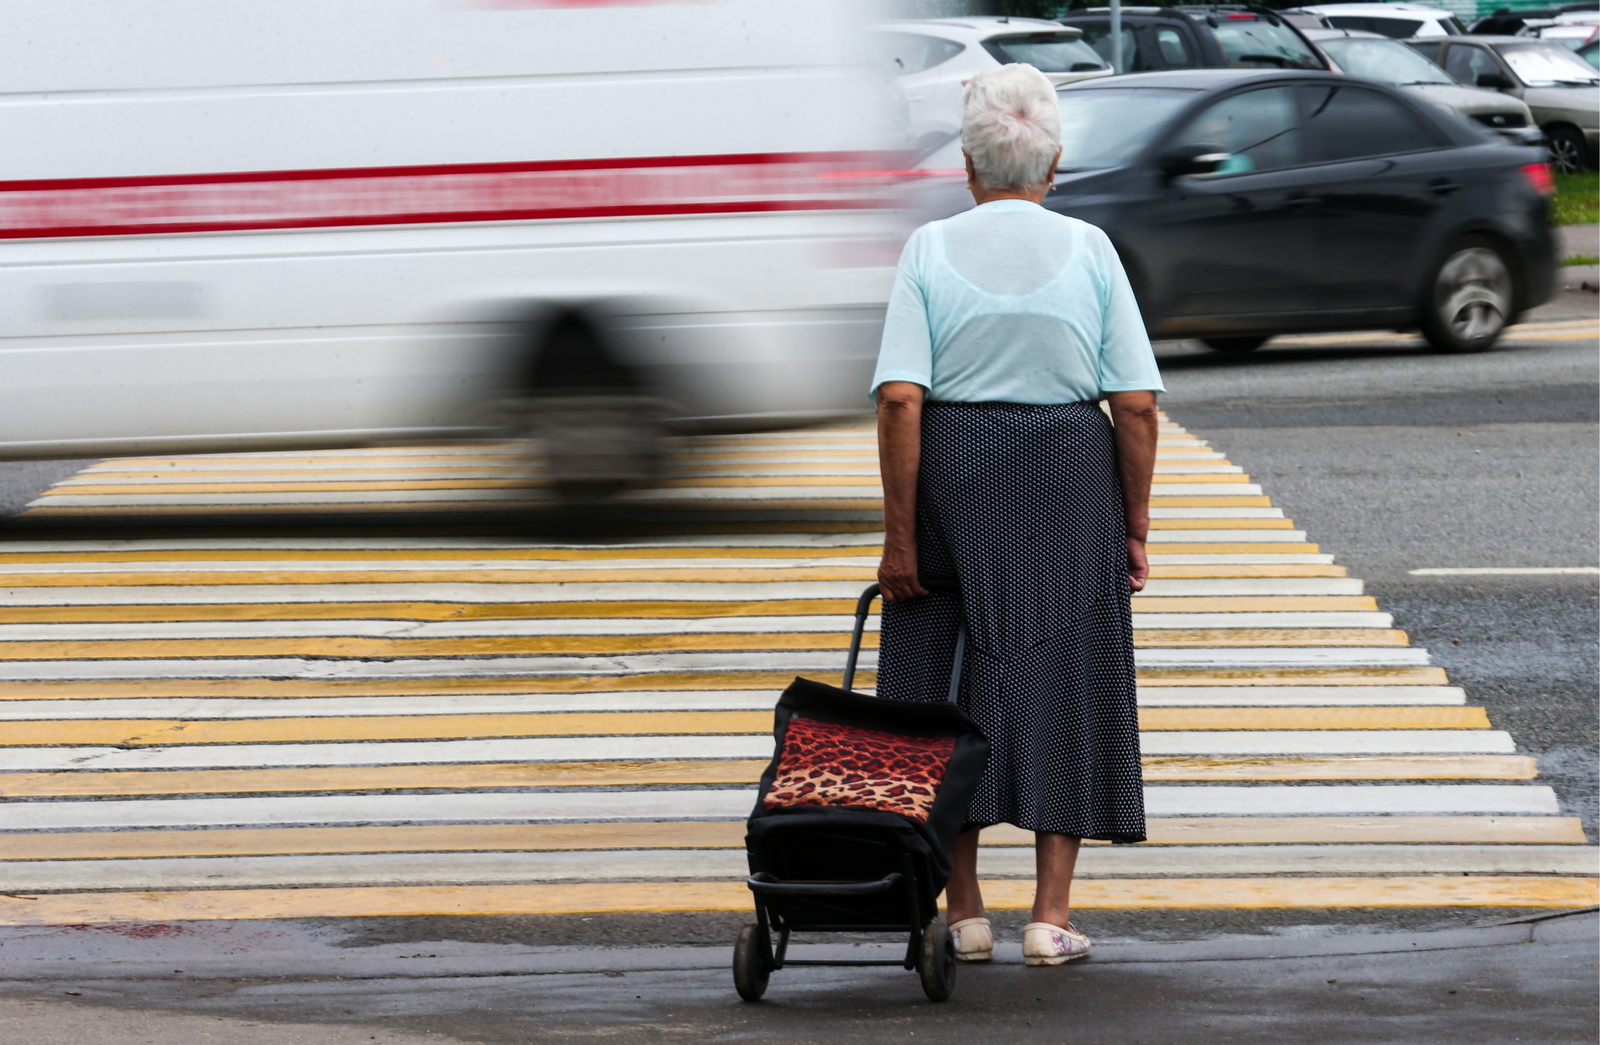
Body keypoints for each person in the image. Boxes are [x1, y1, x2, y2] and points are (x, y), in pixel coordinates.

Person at [870, 63, 1163, 967]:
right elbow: (1138, 405)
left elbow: (900, 402)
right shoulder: (1091, 249)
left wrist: (902, 535)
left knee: (937, 685)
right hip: (1067, 477)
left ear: (967, 165)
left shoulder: (927, 249)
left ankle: (963, 911)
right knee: (1065, 677)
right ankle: (1050, 916)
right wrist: (1136, 527)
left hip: (953, 477)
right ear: (1054, 164)